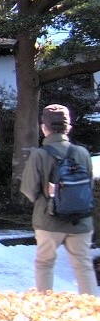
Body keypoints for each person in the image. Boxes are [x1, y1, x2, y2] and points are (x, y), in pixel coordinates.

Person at [19, 104, 97, 295]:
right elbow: (89, 186)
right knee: (83, 266)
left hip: (48, 221)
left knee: (44, 264)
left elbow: (29, 191)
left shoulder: (39, 155)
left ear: (43, 128)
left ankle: (47, 306)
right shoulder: (82, 153)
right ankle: (91, 308)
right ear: (68, 128)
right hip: (80, 220)